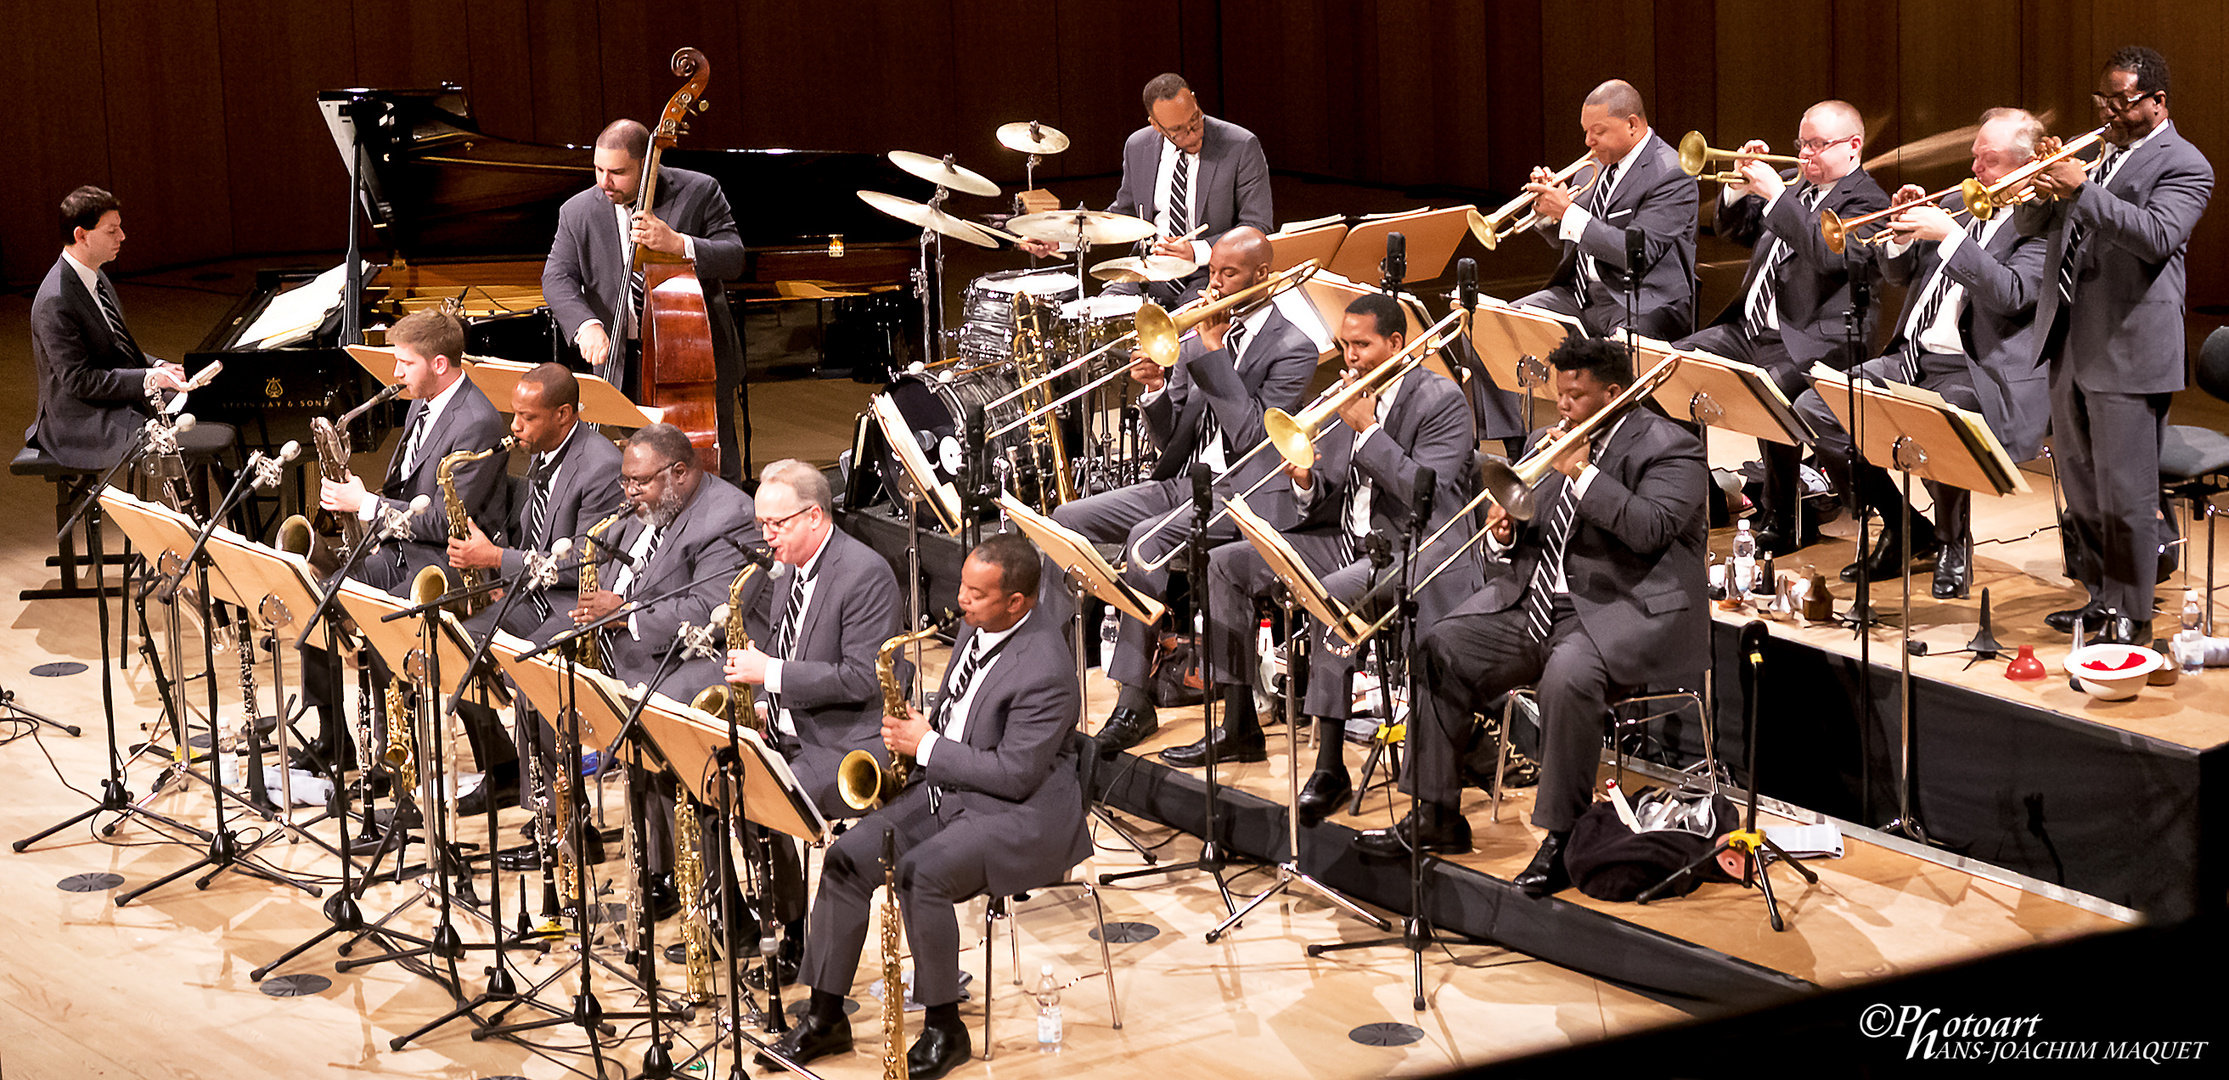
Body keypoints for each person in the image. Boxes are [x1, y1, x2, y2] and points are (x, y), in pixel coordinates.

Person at [1355, 336, 1707, 899]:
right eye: (1558, 393)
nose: (1561, 406)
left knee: (1568, 678)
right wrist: (1507, 534)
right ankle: (1437, 812)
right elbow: (1534, 533)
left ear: (1612, 393)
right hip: (1538, 605)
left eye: (1575, 395)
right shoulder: (1559, 442)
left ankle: (1563, 840)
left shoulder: (1671, 447)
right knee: (1441, 644)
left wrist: (1583, 475)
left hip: (1618, 612)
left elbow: (1649, 529)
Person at [758, 534, 1085, 1080]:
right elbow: (966, 711)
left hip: (1020, 814)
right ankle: (824, 1016)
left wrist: (927, 745)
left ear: (1017, 603)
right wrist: (924, 725)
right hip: (950, 789)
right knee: (843, 860)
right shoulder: (981, 625)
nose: (961, 601)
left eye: (977, 595)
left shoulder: (1048, 670)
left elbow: (1014, 773)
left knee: (918, 875)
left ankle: (943, 1026)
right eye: (962, 587)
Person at [1179, 294, 1475, 801]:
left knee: (1330, 597)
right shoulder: (1345, 397)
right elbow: (1327, 489)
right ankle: (1238, 723)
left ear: (1397, 343)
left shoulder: (1439, 400)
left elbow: (1433, 496)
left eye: (1362, 345)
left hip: (1412, 549)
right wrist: (1304, 481)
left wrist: (1370, 430)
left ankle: (1330, 763)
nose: (1350, 356)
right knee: (1225, 564)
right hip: (1342, 539)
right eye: (1344, 345)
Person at [1050, 227, 1318, 758]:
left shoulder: (1294, 348)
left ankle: (1133, 702)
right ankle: (1049, 671)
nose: (1214, 285)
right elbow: (1172, 438)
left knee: (1146, 543)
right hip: (1186, 482)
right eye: (1212, 271)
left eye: (1229, 274)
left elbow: (1250, 439)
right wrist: (1155, 389)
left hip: (1247, 493)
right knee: (1064, 517)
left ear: (1262, 275)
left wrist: (1214, 355)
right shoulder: (1197, 335)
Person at [1791, 108, 2052, 600]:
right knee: (1816, 407)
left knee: (1939, 416)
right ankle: (1904, 525)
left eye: (1989, 160)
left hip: (1977, 368)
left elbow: (2013, 294)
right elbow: (1899, 276)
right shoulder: (1957, 200)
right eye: (1975, 156)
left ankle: (1955, 542)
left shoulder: (2041, 222)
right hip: (1911, 354)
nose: (1975, 169)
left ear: (2025, 165)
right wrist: (1901, 236)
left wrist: (1948, 236)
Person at [2021, 47, 2214, 646]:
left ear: (2159, 101)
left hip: (2129, 350)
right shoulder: (2097, 159)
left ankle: (2133, 613)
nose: (2111, 111)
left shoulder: (2185, 164)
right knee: (2081, 487)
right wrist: (2040, 194)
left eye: (2125, 101)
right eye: (2103, 100)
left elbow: (2155, 236)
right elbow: (2047, 234)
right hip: (2071, 342)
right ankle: (2100, 601)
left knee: (2127, 494)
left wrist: (2080, 190)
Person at [305, 309, 507, 810]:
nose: (394, 374)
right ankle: (337, 743)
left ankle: (409, 766)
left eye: (403, 363)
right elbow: (408, 490)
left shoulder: (478, 421)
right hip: (405, 547)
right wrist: (366, 501)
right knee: (317, 601)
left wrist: (367, 505)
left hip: (453, 563)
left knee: (387, 622)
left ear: (439, 364)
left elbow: (444, 522)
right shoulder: (424, 401)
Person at [1674, 100, 1889, 556]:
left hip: (1815, 338)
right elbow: (1733, 229)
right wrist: (1736, 187)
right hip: (1748, 328)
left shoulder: (1867, 201)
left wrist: (1777, 195)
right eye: (1802, 144)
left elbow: (1830, 257)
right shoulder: (1799, 191)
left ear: (1854, 146)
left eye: (1818, 144)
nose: (1806, 154)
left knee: (1767, 388)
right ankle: (1686, 496)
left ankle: (1784, 516)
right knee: (1670, 367)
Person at [567, 422, 759, 909]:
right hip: (639, 641)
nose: (630, 494)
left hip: (707, 654)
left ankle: (703, 888)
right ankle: (652, 865)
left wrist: (622, 617)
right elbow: (615, 573)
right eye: (625, 482)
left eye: (640, 483)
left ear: (679, 472)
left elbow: (709, 606)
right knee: (553, 674)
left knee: (651, 714)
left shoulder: (727, 516)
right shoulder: (646, 505)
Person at [446, 362, 626, 814]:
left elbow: (583, 563)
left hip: (579, 602)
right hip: (533, 593)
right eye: (515, 414)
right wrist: (505, 578)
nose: (515, 426)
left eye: (527, 418)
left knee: (534, 674)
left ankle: (563, 812)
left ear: (565, 414)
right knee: (456, 647)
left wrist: (496, 559)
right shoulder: (544, 451)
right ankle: (505, 771)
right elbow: (535, 533)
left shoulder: (600, 466)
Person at [543, 118, 748, 483]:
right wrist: (586, 325)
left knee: (710, 471)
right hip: (627, 361)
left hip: (694, 360)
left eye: (617, 172)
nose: (604, 182)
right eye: (598, 169)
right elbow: (556, 278)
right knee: (642, 474)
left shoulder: (699, 191)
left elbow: (734, 258)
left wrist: (679, 244)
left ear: (648, 164)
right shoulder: (577, 211)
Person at [721, 458, 903, 820]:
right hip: (784, 728)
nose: (767, 535)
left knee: (756, 801)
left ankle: (784, 877)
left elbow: (861, 677)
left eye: (778, 523)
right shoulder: (789, 565)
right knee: (711, 785)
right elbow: (791, 646)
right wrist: (761, 705)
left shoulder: (866, 575)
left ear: (814, 516)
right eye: (762, 524)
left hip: (839, 740)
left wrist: (769, 672)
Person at [1018, 73, 1272, 305]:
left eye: (1195, 120)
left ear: (1194, 101)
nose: (1193, 134)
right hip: (1149, 268)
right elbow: (1123, 215)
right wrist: (1060, 238)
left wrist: (1195, 251)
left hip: (1210, 274)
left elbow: (1257, 226)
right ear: (1156, 125)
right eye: (1178, 131)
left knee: (1190, 332)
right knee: (1102, 312)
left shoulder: (1241, 146)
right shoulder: (1138, 146)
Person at [27, 186, 232, 472]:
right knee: (182, 442)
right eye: (112, 231)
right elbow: (80, 381)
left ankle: (220, 515)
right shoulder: (56, 300)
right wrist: (150, 379)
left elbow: (114, 348)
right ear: (81, 235)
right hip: (81, 420)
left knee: (219, 405)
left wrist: (159, 366)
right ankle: (190, 516)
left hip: (109, 398)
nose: (122, 237)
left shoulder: (95, 277)